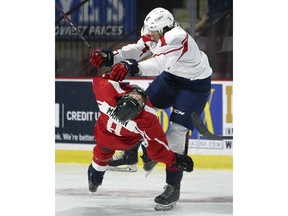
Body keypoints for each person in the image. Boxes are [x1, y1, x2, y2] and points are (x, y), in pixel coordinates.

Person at [89, 7, 212, 210]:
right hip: (171, 79)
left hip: (194, 86)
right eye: (148, 30)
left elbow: (158, 63)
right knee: (137, 110)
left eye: (153, 32)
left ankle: (173, 187)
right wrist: (110, 56)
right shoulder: (156, 31)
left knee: (176, 134)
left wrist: (131, 66)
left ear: (164, 29)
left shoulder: (178, 37)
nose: (149, 35)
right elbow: (138, 49)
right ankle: (130, 153)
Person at [88, 74, 194, 209]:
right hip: (128, 142)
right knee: (147, 138)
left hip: (104, 139)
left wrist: (112, 75)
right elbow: (157, 150)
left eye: (135, 98)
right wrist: (175, 160)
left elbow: (97, 80)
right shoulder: (147, 117)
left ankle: (98, 177)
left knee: (99, 161)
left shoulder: (107, 91)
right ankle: (134, 158)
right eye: (137, 99)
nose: (137, 96)